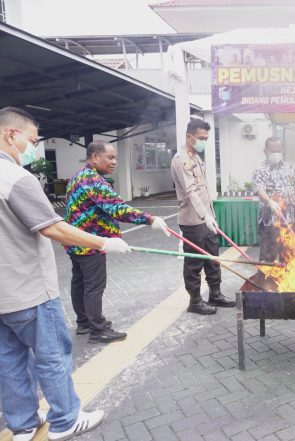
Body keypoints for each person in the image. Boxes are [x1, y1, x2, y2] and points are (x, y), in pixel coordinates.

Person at [0, 107, 126, 440]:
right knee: (52, 355)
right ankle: (65, 420)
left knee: (10, 361)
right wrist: (104, 242)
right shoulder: (16, 178)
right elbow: (53, 228)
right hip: (29, 289)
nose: (33, 146)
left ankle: (23, 424)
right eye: (32, 139)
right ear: (10, 134)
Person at [65, 141, 170, 343]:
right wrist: (150, 219)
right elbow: (118, 209)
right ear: (95, 157)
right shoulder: (93, 180)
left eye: (115, 158)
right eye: (110, 157)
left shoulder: (78, 176)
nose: (114, 162)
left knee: (79, 283)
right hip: (91, 243)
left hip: (76, 241)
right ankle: (97, 331)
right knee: (94, 287)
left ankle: (85, 323)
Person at [171, 119, 235, 316]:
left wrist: (210, 216)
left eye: (206, 138)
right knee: (194, 263)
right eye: (201, 138)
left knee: (213, 259)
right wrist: (205, 216)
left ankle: (215, 293)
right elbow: (191, 192)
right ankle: (195, 301)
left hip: (206, 219)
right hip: (193, 220)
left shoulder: (196, 157)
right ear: (189, 136)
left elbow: (204, 191)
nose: (204, 142)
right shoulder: (181, 160)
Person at [253, 137, 295, 262]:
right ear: (266, 151)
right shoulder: (260, 170)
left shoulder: (288, 167)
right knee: (269, 258)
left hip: (290, 219)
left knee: (289, 256)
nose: (277, 153)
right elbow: (260, 190)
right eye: (273, 150)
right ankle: (264, 281)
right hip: (270, 221)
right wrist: (269, 201)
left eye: (279, 150)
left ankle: (287, 281)